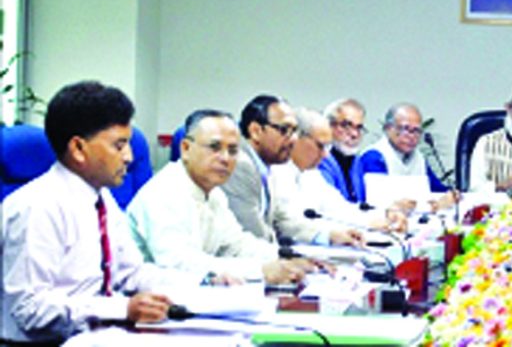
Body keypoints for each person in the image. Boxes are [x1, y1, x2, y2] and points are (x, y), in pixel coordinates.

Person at [2, 81, 193, 343]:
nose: (128, 157)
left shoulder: (101, 197)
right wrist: (120, 309)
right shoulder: (37, 208)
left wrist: (196, 287)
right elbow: (29, 309)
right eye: (119, 145)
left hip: (98, 335)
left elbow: (130, 273)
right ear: (79, 149)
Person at [128, 109, 315, 285]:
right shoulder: (164, 191)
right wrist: (261, 270)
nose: (225, 158)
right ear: (185, 149)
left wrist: (288, 259)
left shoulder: (214, 193)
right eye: (214, 147)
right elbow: (181, 262)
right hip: (141, 304)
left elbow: (237, 244)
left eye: (233, 150)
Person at [223, 95, 361, 247]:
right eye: (284, 130)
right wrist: (287, 260)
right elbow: (253, 233)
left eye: (294, 131)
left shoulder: (267, 166)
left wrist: (329, 236)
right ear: (256, 131)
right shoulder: (241, 165)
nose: (293, 139)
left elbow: (283, 220)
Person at [270, 107, 407, 233]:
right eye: (320, 146)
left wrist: (385, 215)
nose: (325, 155)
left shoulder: (310, 174)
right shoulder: (277, 173)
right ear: (296, 138)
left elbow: (339, 208)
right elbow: (292, 223)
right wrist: (332, 235)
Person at [352, 103, 456, 211]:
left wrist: (452, 195)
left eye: (416, 131)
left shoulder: (418, 158)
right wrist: (433, 206)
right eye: (405, 129)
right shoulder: (374, 157)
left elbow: (436, 189)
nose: (411, 136)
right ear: (388, 128)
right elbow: (378, 203)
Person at [318, 98, 366, 203]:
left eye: (359, 128)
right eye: (346, 126)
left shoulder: (357, 162)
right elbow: (329, 205)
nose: (354, 134)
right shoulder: (318, 159)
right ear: (328, 126)